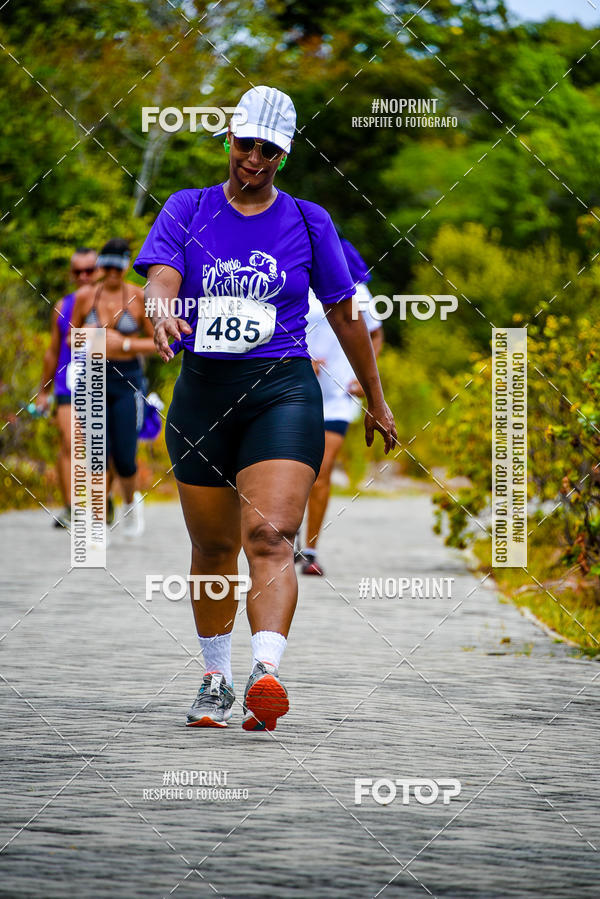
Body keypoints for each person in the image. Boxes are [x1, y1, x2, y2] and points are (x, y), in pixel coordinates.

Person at [134, 85, 397, 732]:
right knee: (213, 545)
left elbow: (343, 312)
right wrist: (161, 308)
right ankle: (215, 676)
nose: (255, 158)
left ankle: (266, 671)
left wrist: (377, 396)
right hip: (201, 394)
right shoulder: (187, 207)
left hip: (281, 391)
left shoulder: (309, 220)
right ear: (229, 139)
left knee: (270, 536)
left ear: (285, 154)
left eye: (269, 150)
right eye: (246, 144)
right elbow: (160, 275)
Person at [300, 242, 384, 576]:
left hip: (337, 397)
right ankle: (278, 543)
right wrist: (300, 358)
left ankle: (309, 550)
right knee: (292, 472)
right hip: (295, 391)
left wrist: (365, 379)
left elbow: (375, 336)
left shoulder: (358, 292)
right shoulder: (296, 284)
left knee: (321, 471)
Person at [70, 238, 156, 537]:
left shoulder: (137, 297)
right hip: (93, 377)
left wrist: (126, 343)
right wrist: (86, 334)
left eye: (118, 268)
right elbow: (68, 339)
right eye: (107, 267)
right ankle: (98, 519)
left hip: (127, 380)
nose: (112, 273)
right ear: (100, 267)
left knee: (124, 456)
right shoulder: (85, 297)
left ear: (126, 268)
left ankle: (131, 502)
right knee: (97, 452)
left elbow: (159, 343)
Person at [38, 248, 98, 528]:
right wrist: (43, 390)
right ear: (71, 274)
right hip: (68, 384)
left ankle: (101, 505)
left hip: (104, 384)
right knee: (70, 443)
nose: (84, 276)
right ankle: (72, 508)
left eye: (90, 270)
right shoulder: (63, 306)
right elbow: (52, 351)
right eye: (78, 271)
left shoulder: (116, 301)